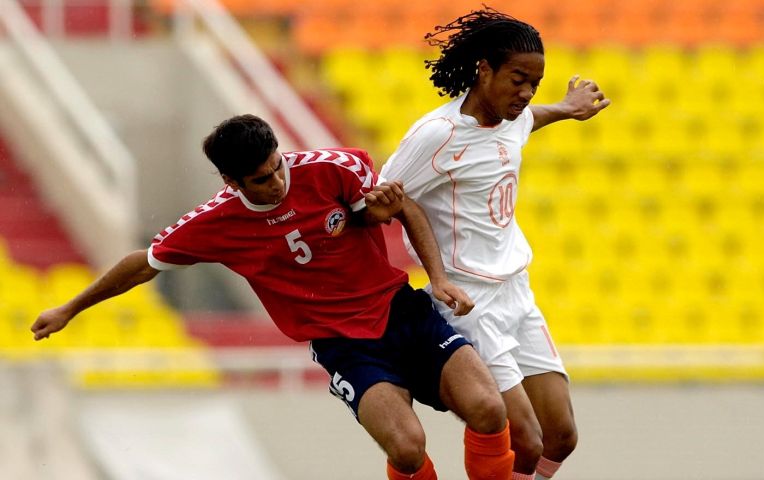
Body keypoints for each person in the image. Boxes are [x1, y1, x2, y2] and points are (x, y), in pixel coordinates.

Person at [31, 114, 516, 479]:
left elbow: (396, 207)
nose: (278, 181)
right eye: (262, 179)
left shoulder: (335, 167)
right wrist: (70, 307)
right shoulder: (213, 224)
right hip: (344, 345)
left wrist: (438, 277)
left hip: (401, 312)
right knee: (407, 449)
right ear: (231, 182)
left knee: (489, 409)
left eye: (277, 166)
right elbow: (143, 263)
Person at [381, 8, 611, 480]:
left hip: (517, 293)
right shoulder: (437, 135)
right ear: (483, 69)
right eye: (518, 79)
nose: (526, 94)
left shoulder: (515, 118)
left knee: (560, 437)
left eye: (534, 83)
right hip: (469, 302)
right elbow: (384, 197)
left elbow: (529, 121)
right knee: (523, 438)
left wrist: (568, 108)